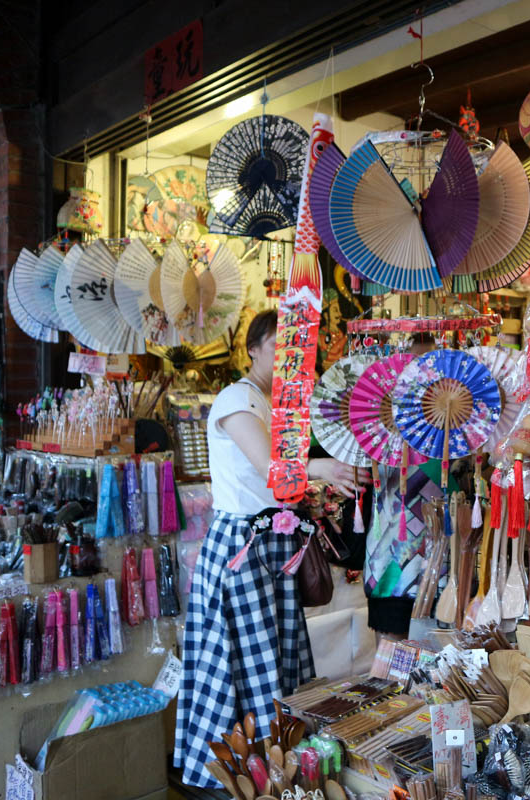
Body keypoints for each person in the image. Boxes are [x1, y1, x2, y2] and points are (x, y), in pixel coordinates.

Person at [175, 309, 367, 788]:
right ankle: (237, 774)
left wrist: (321, 485)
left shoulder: (277, 405)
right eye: (280, 347)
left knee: (272, 657)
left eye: (297, 350)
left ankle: (275, 769)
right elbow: (270, 469)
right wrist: (322, 469)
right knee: (243, 658)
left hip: (272, 546)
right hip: (241, 547)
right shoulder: (235, 398)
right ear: (254, 349)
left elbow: (284, 484)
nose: (289, 358)